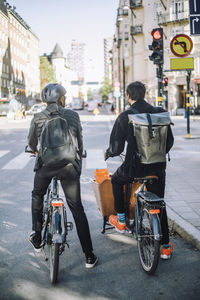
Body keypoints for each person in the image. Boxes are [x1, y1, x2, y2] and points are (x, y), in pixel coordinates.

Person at [27, 83, 98, 268]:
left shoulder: (37, 117)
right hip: (69, 167)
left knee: (37, 195)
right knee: (77, 208)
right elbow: (79, 142)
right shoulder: (73, 115)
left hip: (46, 167)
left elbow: (32, 143)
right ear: (61, 98)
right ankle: (89, 255)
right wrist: (78, 161)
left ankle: (36, 236)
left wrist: (35, 151)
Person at [105, 81, 174, 260]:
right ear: (144, 94)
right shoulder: (159, 113)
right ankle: (166, 247)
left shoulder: (125, 116)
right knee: (159, 203)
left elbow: (116, 148)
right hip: (157, 168)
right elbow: (169, 141)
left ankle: (121, 220)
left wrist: (109, 153)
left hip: (133, 168)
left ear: (128, 96)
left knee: (116, 180)